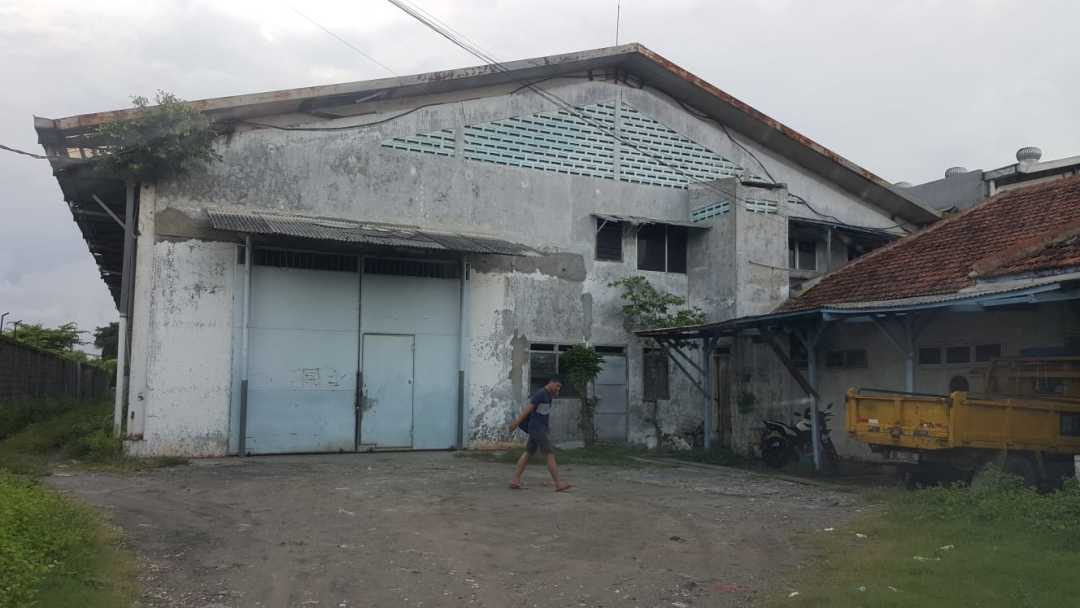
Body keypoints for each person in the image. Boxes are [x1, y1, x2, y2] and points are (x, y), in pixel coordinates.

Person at [509, 378, 572, 492]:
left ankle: (515, 480)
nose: (558, 389)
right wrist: (516, 423)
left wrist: (555, 392)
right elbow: (528, 409)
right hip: (537, 429)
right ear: (550, 383)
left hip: (539, 429)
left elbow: (544, 412)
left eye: (559, 387)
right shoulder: (541, 394)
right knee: (549, 453)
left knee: (528, 453)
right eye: (557, 386)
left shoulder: (548, 395)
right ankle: (558, 484)